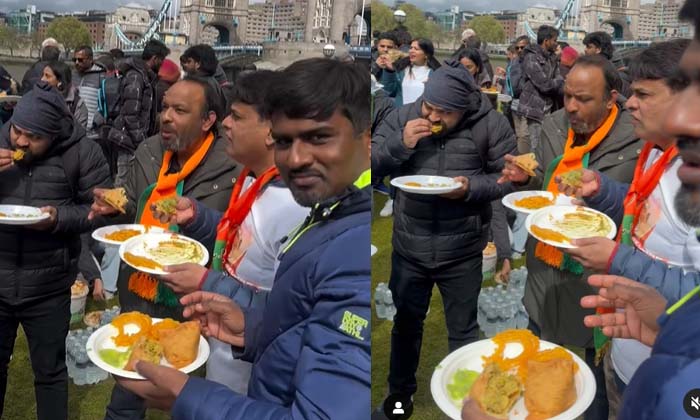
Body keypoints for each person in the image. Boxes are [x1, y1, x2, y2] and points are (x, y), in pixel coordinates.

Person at [113, 58, 371, 420]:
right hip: (249, 363)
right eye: (286, 140)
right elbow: (295, 304)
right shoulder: (313, 202)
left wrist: (189, 398)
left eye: (319, 137)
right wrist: (254, 327)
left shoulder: (325, 227)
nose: (296, 158)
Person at [498, 54, 643, 419]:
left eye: (584, 99)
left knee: (592, 375)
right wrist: (526, 178)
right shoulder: (552, 125)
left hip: (596, 275)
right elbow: (549, 181)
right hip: (545, 265)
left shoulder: (637, 137)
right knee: (542, 356)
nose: (572, 107)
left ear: (612, 98)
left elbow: (639, 205)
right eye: (567, 97)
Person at [147, 70, 309, 394]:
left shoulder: (296, 207)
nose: (225, 124)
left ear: (271, 132)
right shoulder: (254, 179)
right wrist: (199, 218)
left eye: (236, 116)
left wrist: (208, 282)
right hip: (225, 358)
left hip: (258, 379)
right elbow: (242, 243)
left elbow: (295, 313)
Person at [88, 76, 240, 420]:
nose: (166, 116)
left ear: (208, 120)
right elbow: (130, 197)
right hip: (138, 286)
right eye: (165, 107)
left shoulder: (232, 165)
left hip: (191, 297)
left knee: (190, 393)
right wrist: (116, 205)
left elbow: (235, 232)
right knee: (130, 380)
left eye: (180, 110)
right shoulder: (149, 149)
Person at [557, 39, 693, 418]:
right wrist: (601, 191)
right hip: (625, 349)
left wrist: (617, 259)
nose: (628, 104)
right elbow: (646, 212)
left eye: (643, 94)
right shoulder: (657, 150)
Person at [372, 60, 516, 415]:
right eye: (428, 106)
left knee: (464, 331)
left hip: (463, 248)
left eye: (443, 112)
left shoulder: (491, 124)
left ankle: (465, 403)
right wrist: (399, 144)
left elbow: (508, 177)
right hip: (410, 245)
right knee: (405, 326)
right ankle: (399, 399)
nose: (433, 116)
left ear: (464, 107)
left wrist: (469, 189)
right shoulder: (401, 116)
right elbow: (368, 166)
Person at [0, 82, 111, 420]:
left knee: (49, 372)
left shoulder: (82, 152)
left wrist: (57, 218)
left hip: (48, 286)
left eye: (33, 137)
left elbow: (103, 209)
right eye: (17, 131)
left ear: (54, 134)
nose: (20, 141)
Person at [103, 39, 169, 186]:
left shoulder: (144, 76)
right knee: (124, 182)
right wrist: (142, 142)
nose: (162, 64)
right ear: (155, 59)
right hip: (127, 140)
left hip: (131, 138)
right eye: (162, 60)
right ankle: (115, 209)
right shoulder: (136, 77)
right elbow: (130, 114)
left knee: (132, 181)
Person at [514, 25, 564, 153]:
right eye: (554, 40)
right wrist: (559, 81)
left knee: (545, 143)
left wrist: (558, 81)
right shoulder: (531, 57)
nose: (556, 43)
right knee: (536, 145)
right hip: (534, 108)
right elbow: (544, 85)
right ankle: (533, 172)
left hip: (549, 107)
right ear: (546, 41)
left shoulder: (552, 58)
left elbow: (556, 77)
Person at [377, 38, 441, 107]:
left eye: (416, 49)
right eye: (411, 48)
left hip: (422, 116)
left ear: (426, 55)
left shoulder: (436, 74)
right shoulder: (402, 70)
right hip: (401, 114)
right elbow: (388, 91)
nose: (411, 51)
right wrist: (389, 71)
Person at [583, 31, 633, 99]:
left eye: (589, 47)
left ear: (598, 49)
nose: (585, 50)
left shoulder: (601, 71)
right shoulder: (608, 68)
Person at [41, 61, 89, 130]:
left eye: (47, 76)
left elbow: (79, 133)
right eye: (43, 75)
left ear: (60, 82)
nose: (42, 79)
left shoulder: (78, 105)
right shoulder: (39, 97)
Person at [72, 45, 108, 131]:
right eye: (74, 60)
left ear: (90, 59)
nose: (77, 62)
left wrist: (95, 123)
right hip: (74, 128)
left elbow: (105, 104)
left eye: (80, 60)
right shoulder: (72, 76)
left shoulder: (102, 76)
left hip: (92, 129)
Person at [507, 35, 531, 154]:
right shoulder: (514, 63)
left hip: (527, 105)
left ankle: (522, 163)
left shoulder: (533, 62)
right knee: (518, 134)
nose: (520, 50)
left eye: (523, 47)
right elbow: (511, 82)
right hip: (514, 104)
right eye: (517, 48)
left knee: (523, 135)